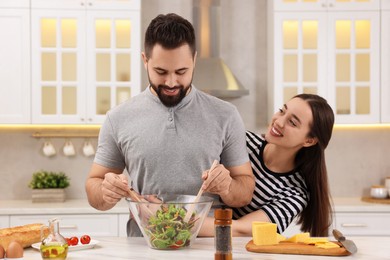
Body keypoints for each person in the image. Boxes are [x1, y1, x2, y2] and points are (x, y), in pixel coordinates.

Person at [85, 13, 255, 236]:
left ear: (194, 59)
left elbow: (245, 190)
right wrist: (105, 191)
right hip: (144, 247)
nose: (172, 82)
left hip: (206, 243)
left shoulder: (226, 115)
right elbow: (94, 187)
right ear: (145, 60)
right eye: (161, 72)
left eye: (181, 71)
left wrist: (227, 186)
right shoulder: (118, 118)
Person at [199, 93, 334, 237]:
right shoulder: (243, 141)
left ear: (309, 141)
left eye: (292, 122)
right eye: (282, 111)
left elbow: (241, 230)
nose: (279, 122)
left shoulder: (294, 194)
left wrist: (182, 222)